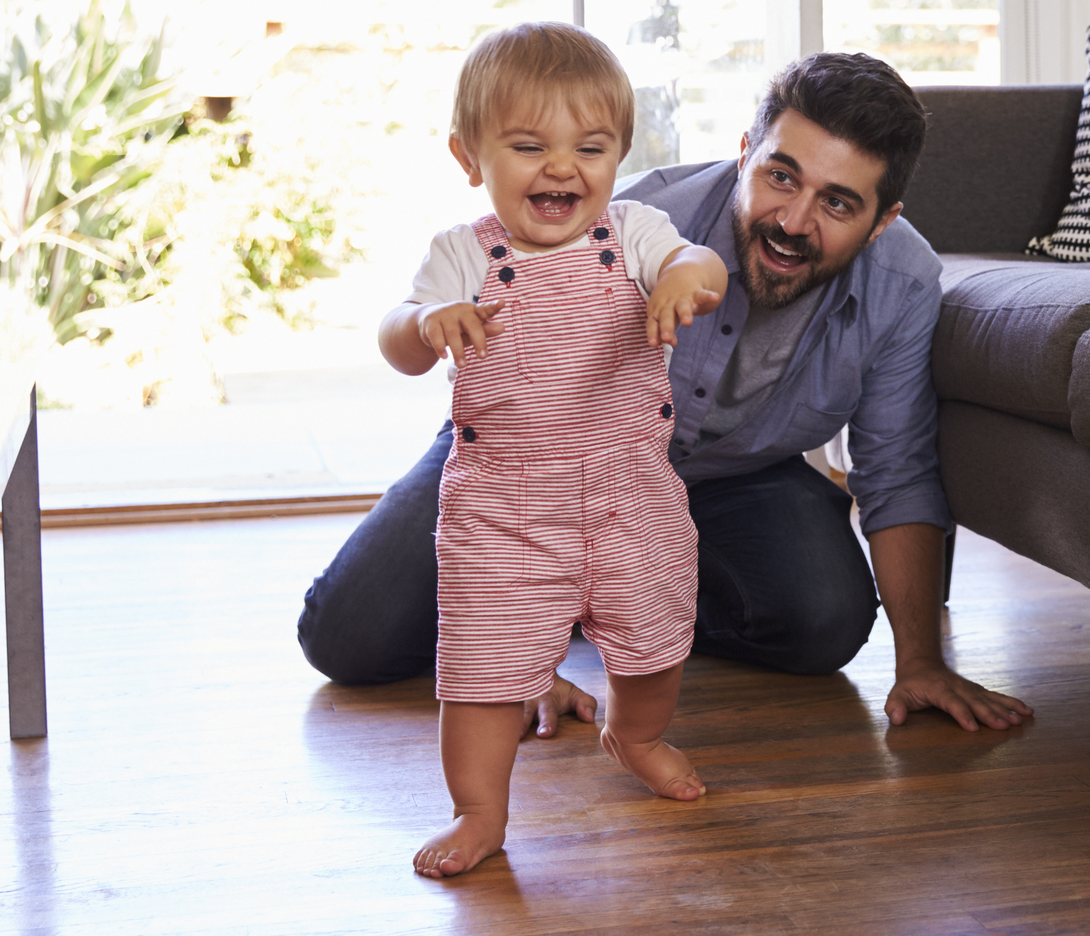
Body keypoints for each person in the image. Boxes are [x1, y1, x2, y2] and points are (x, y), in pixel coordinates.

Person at [297, 47, 1032, 765]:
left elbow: (896, 469)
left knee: (824, 626)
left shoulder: (902, 284)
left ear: (880, 220)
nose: (793, 220)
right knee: (349, 637)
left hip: (739, 476)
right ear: (744, 152)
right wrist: (519, 650)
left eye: (837, 203)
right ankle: (554, 605)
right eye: (780, 177)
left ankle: (624, 604)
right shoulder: (628, 217)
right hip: (528, 464)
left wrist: (920, 663)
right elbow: (443, 326)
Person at [388, 22, 729, 878]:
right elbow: (395, 335)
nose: (561, 167)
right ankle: (479, 812)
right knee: (482, 673)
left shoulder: (638, 233)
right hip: (504, 508)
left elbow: (701, 262)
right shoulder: (464, 254)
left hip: (630, 496)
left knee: (655, 644)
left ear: (618, 154)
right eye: (528, 145)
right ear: (470, 157)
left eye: (590, 146)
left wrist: (690, 275)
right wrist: (428, 326)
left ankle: (634, 732)